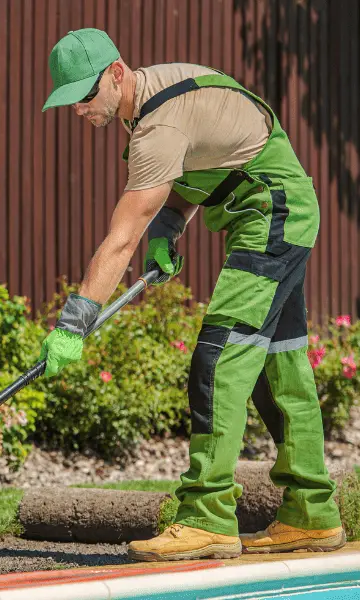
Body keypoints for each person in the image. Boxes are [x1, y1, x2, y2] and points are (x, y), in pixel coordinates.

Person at [38, 28, 344, 561]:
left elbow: (120, 238)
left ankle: (207, 518)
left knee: (218, 359)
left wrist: (74, 322)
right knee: (281, 364)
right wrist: (171, 228)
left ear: (116, 72)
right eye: (71, 101)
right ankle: (311, 515)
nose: (81, 110)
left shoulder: (157, 125)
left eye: (87, 96)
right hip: (276, 209)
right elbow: (209, 159)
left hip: (272, 215)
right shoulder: (155, 98)